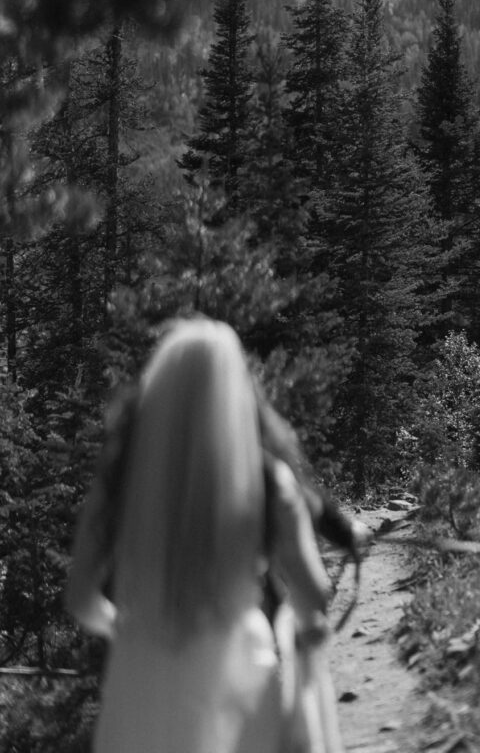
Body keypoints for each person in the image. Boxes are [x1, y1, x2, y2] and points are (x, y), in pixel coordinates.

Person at [66, 317, 339, 753]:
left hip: (139, 684)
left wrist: (128, 628)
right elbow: (314, 593)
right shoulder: (270, 482)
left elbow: (80, 598)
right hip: (238, 685)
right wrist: (301, 628)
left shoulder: (119, 482)